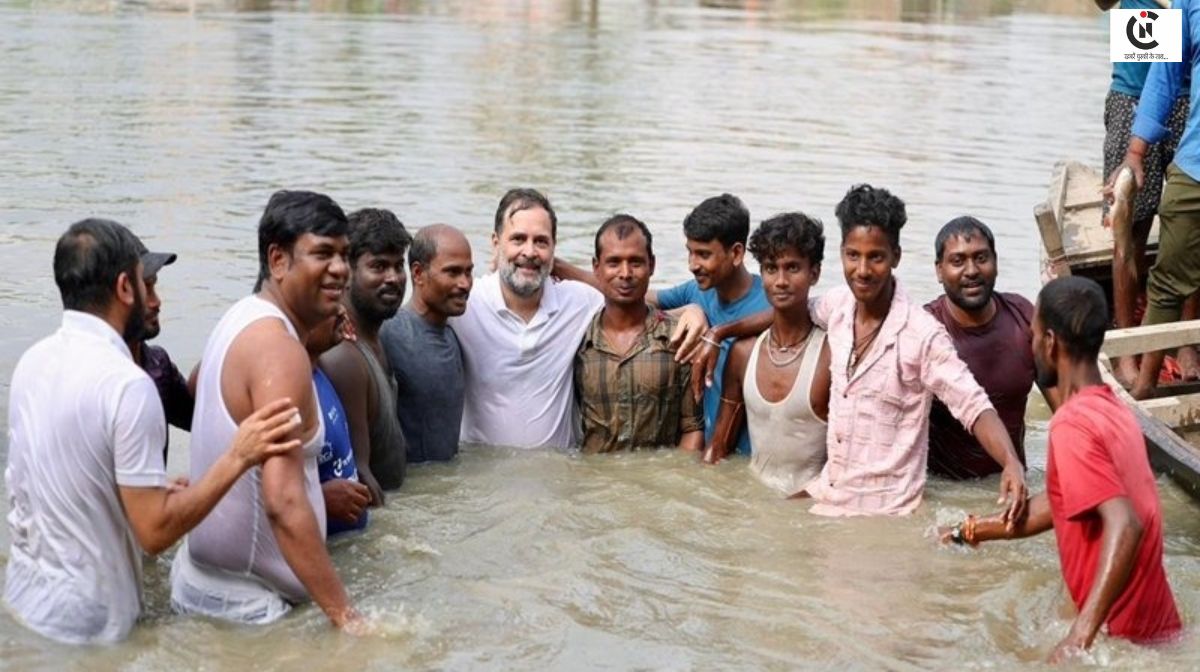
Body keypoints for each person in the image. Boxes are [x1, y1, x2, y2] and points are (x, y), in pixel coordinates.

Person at [4, 218, 299, 644]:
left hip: (24, 601)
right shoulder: (127, 383)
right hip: (89, 624)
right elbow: (155, 533)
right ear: (126, 287)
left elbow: (58, 477)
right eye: (148, 285)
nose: (154, 298)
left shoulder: (34, 361)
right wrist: (238, 456)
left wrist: (151, 488)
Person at [697, 185, 1028, 518]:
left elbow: (974, 405)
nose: (863, 270)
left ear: (896, 256)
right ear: (842, 253)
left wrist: (1010, 462)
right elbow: (791, 309)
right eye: (853, 255)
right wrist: (720, 332)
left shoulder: (922, 335)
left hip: (887, 513)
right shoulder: (839, 307)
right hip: (830, 495)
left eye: (876, 257)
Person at [941, 276, 1182, 661]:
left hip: (1121, 642)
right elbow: (1059, 502)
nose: (1032, 345)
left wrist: (1077, 637)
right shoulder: (1114, 410)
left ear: (1050, 343)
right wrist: (969, 530)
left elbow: (1125, 523)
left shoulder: (1072, 425)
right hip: (1160, 632)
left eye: (1034, 336)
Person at [170, 190, 362, 629]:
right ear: (278, 260)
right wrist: (346, 617)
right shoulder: (279, 351)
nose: (340, 269)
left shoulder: (241, 317)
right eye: (323, 254)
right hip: (249, 611)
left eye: (344, 255)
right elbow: (283, 501)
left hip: (206, 585)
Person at [556, 194, 766, 454]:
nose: (692, 265)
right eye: (690, 252)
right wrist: (551, 265)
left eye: (703, 254)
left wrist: (719, 333)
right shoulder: (695, 292)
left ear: (736, 253)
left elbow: (798, 312)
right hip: (709, 456)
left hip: (751, 453)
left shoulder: (772, 300)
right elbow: (636, 293)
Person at [1097, 0, 1197, 386]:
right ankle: (1126, 350)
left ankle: (1186, 341)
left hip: (1191, 93)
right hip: (1135, 87)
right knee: (1129, 224)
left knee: (1191, 228)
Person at [701, 213, 831, 499]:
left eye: (792, 268)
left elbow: (846, 465)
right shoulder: (743, 353)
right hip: (753, 502)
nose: (781, 281)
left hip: (809, 510)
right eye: (771, 268)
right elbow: (719, 445)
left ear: (815, 273)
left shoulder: (831, 356)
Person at [573, 214, 703, 453]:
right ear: (596, 268)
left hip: (658, 475)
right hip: (592, 474)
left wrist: (677, 475)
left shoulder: (678, 339)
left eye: (635, 262)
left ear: (651, 265)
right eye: (613, 263)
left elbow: (693, 428)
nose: (625, 273)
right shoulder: (576, 340)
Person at [925, 217, 1034, 479]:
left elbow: (1063, 399)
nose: (972, 270)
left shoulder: (1023, 317)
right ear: (939, 271)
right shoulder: (925, 330)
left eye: (981, 258)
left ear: (996, 262)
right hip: (946, 489)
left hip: (1014, 481)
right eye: (958, 261)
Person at [319, 208, 411, 502]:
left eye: (398, 266)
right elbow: (360, 479)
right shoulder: (345, 358)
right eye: (379, 266)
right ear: (346, 272)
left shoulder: (377, 338)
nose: (393, 278)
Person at [381, 224, 473, 463]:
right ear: (418, 273)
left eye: (468, 272)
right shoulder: (390, 334)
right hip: (409, 483)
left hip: (447, 481)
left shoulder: (453, 334)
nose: (465, 283)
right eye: (453, 272)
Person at [124, 242, 194, 462]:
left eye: (154, 287)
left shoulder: (158, 364)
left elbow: (200, 420)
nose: (156, 302)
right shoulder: (94, 379)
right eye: (146, 289)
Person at [310, 309, 371, 536]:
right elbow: (251, 498)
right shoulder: (286, 392)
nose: (342, 311)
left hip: (353, 543)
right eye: (329, 303)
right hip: (322, 546)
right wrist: (319, 499)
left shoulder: (319, 373)